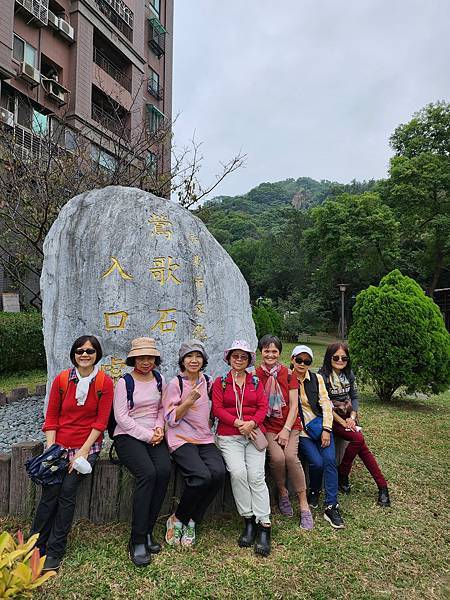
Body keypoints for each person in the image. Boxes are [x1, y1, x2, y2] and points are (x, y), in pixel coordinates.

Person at [30, 335, 114, 571]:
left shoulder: (104, 383)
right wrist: (52, 449)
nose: (85, 355)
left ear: (97, 354)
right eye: (80, 351)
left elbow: (101, 422)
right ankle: (35, 544)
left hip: (87, 447)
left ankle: (56, 549)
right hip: (59, 446)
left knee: (67, 493)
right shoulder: (63, 380)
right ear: (73, 355)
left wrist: (82, 453)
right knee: (50, 494)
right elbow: (52, 417)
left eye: (90, 351)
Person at [113, 337, 171, 566]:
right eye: (141, 358)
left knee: (164, 471)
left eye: (150, 358)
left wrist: (158, 429)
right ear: (133, 359)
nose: (147, 362)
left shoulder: (159, 378)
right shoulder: (124, 382)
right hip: (128, 436)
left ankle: (148, 530)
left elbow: (162, 408)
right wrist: (148, 435)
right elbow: (122, 418)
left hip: (154, 433)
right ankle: (136, 539)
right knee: (147, 473)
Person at [162, 340, 226, 547]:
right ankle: (177, 518)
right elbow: (171, 418)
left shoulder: (207, 381)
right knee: (201, 477)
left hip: (204, 438)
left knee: (218, 473)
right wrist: (187, 402)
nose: (194, 360)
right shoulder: (176, 384)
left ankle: (192, 519)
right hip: (180, 439)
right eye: (189, 356)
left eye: (198, 356)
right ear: (182, 360)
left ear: (204, 360)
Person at [212, 340, 272, 557]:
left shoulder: (255, 382)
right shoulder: (221, 383)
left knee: (256, 476)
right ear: (229, 358)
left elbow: (263, 406)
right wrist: (238, 423)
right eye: (235, 356)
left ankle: (264, 524)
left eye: (243, 357)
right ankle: (248, 520)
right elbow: (217, 408)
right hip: (230, 436)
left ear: (248, 360)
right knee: (238, 474)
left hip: (254, 434)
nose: (239, 360)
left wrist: (251, 423)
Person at [319, 342, 390, 507]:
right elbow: (325, 404)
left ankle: (381, 486)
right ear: (329, 358)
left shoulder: (349, 374)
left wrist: (352, 416)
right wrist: (343, 421)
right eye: (336, 357)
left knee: (361, 444)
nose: (340, 360)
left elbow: (355, 397)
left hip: (347, 416)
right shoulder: (322, 376)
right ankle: (346, 474)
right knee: (358, 439)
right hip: (330, 418)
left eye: (344, 357)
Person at [256, 335, 313, 530]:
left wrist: (286, 430)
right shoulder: (256, 375)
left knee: (290, 457)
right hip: (269, 426)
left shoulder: (289, 375)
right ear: (260, 352)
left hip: (290, 424)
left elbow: (295, 405)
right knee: (278, 458)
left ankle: (304, 505)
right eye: (266, 350)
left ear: (280, 353)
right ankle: (282, 492)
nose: (270, 354)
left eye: (274, 351)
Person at [289, 344, 345, 529]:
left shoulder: (316, 379)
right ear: (292, 360)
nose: (302, 364)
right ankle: (314, 490)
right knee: (316, 462)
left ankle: (331, 505)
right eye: (299, 360)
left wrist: (327, 429)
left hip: (320, 426)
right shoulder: (286, 379)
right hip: (302, 431)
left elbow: (326, 404)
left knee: (329, 460)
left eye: (307, 361)